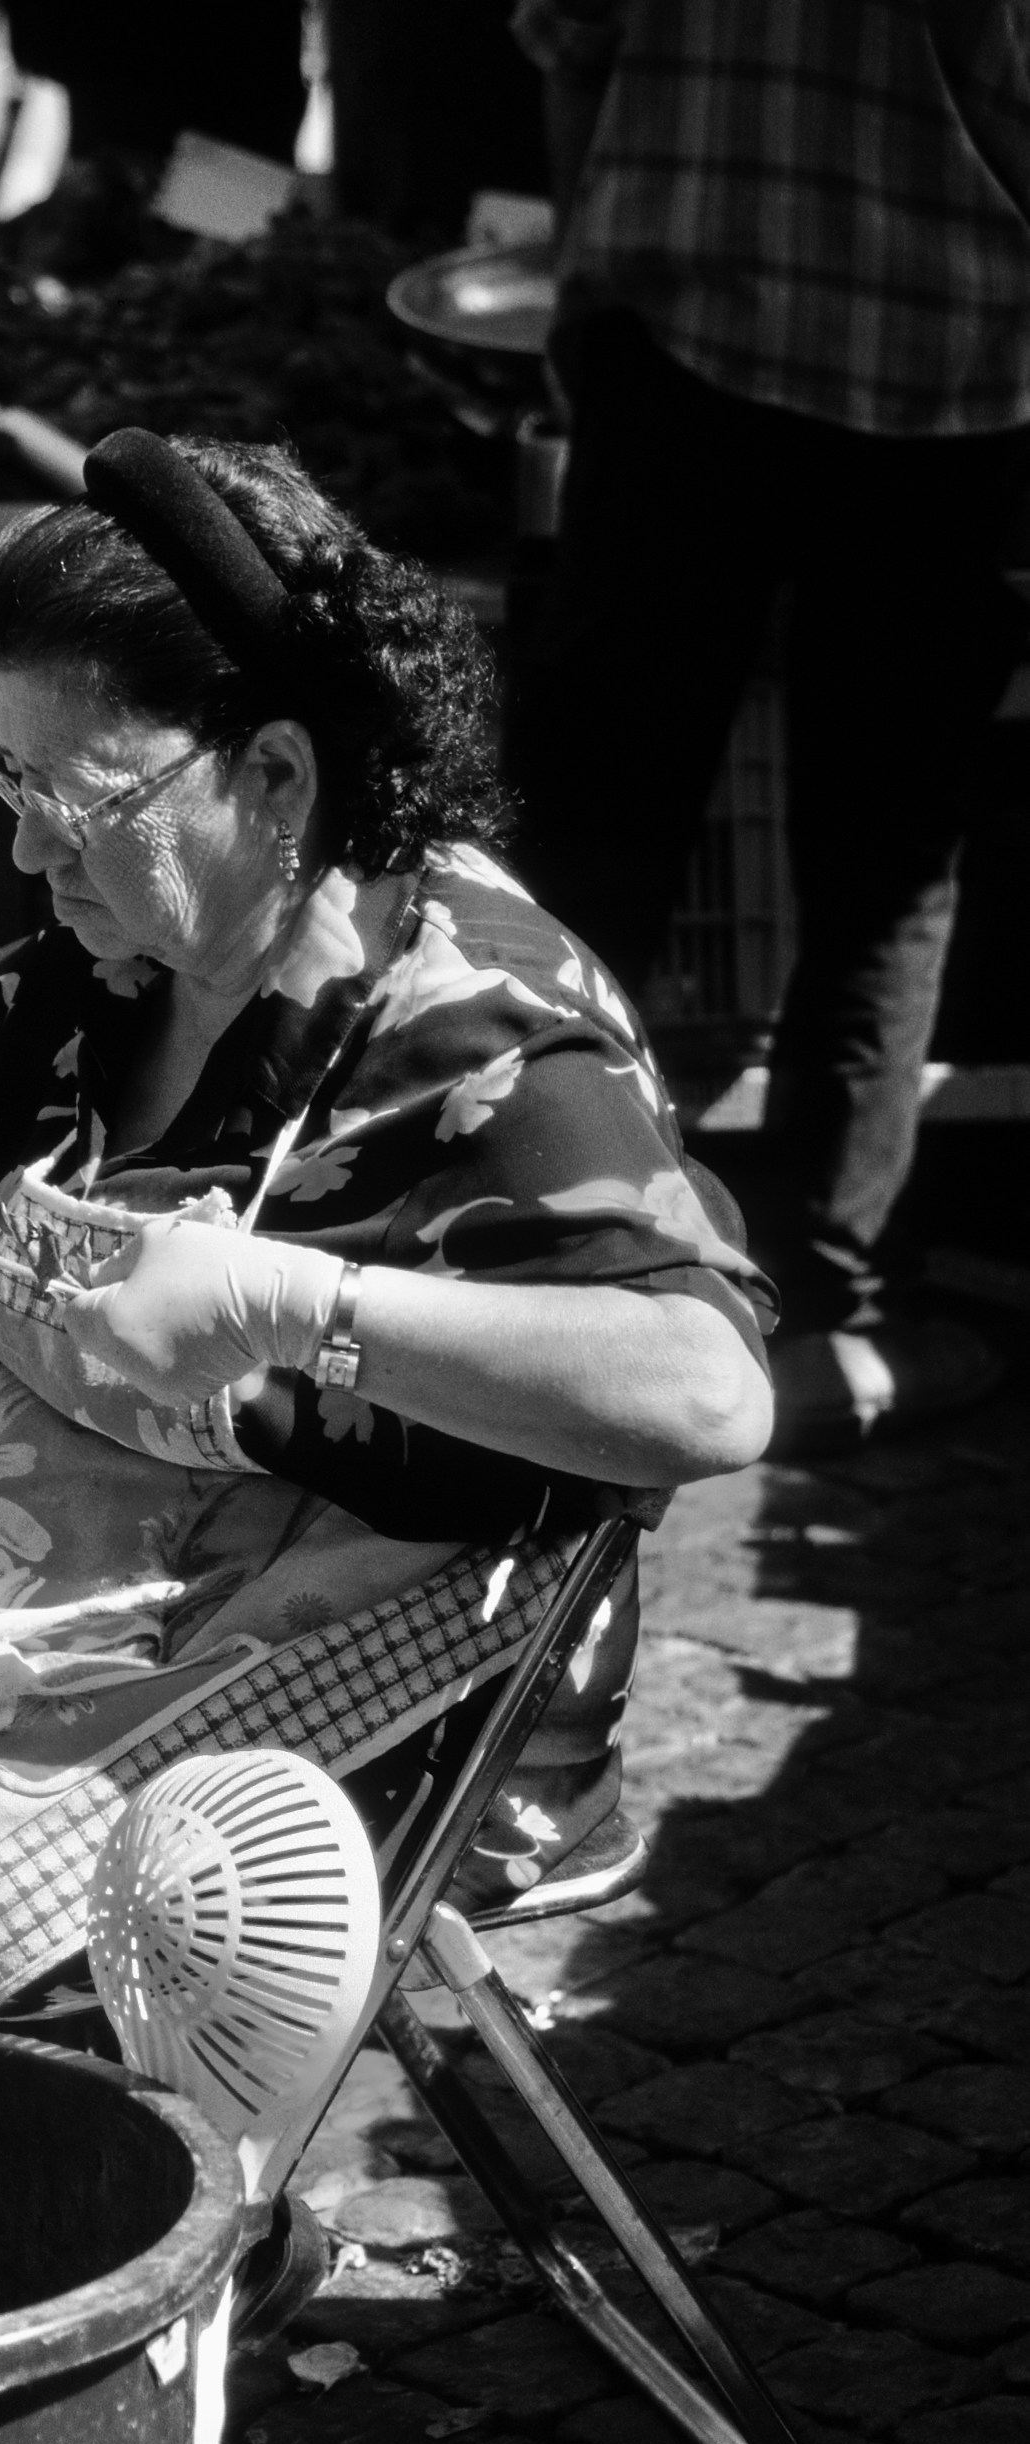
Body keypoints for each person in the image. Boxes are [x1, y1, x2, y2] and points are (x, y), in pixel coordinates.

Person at [0, 428, 772, 2037]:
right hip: (81, 1620)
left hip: (382, 1725)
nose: (29, 851)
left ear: (276, 777)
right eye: (8, 784)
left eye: (73, 798)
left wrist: (290, 1299)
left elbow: (707, 1392)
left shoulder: (485, 1040)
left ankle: (78, 2237)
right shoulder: (123, 964)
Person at [505, 0, 1030, 1454]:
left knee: (595, 847)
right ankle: (828, 1315)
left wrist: (575, 306)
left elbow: (570, 47)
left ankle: (532, 1255)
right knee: (888, 874)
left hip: (680, 356)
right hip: (950, 379)